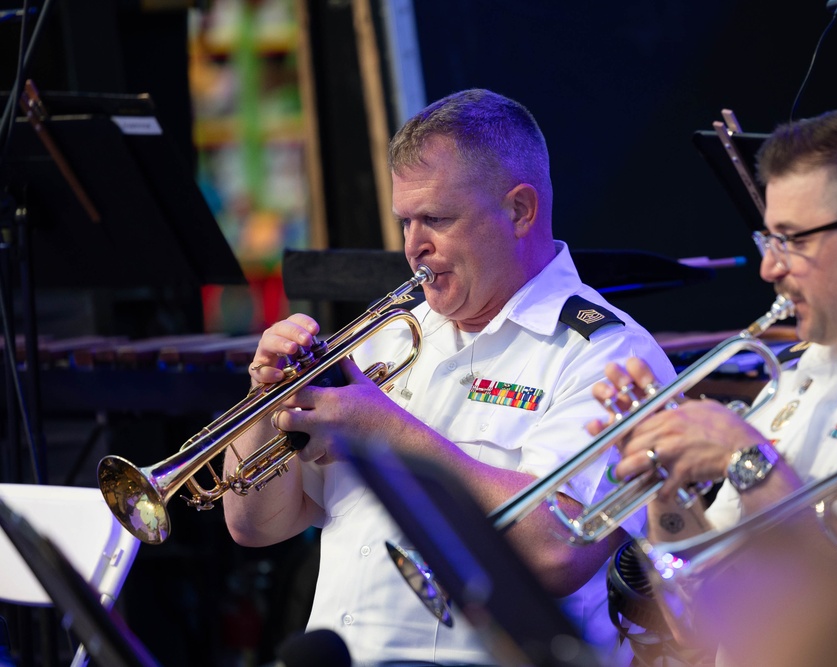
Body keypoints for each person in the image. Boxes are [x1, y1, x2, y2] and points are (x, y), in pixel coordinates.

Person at [223, 88, 675, 666]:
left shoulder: (608, 355)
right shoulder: (387, 336)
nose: (414, 247)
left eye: (437, 218)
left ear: (519, 211)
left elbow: (561, 550)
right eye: (405, 221)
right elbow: (256, 526)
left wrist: (387, 429)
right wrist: (266, 405)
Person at [589, 107, 837, 661]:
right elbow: (700, 625)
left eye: (792, 241)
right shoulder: (797, 375)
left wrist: (748, 460)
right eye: (769, 240)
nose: (769, 269)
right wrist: (666, 483)